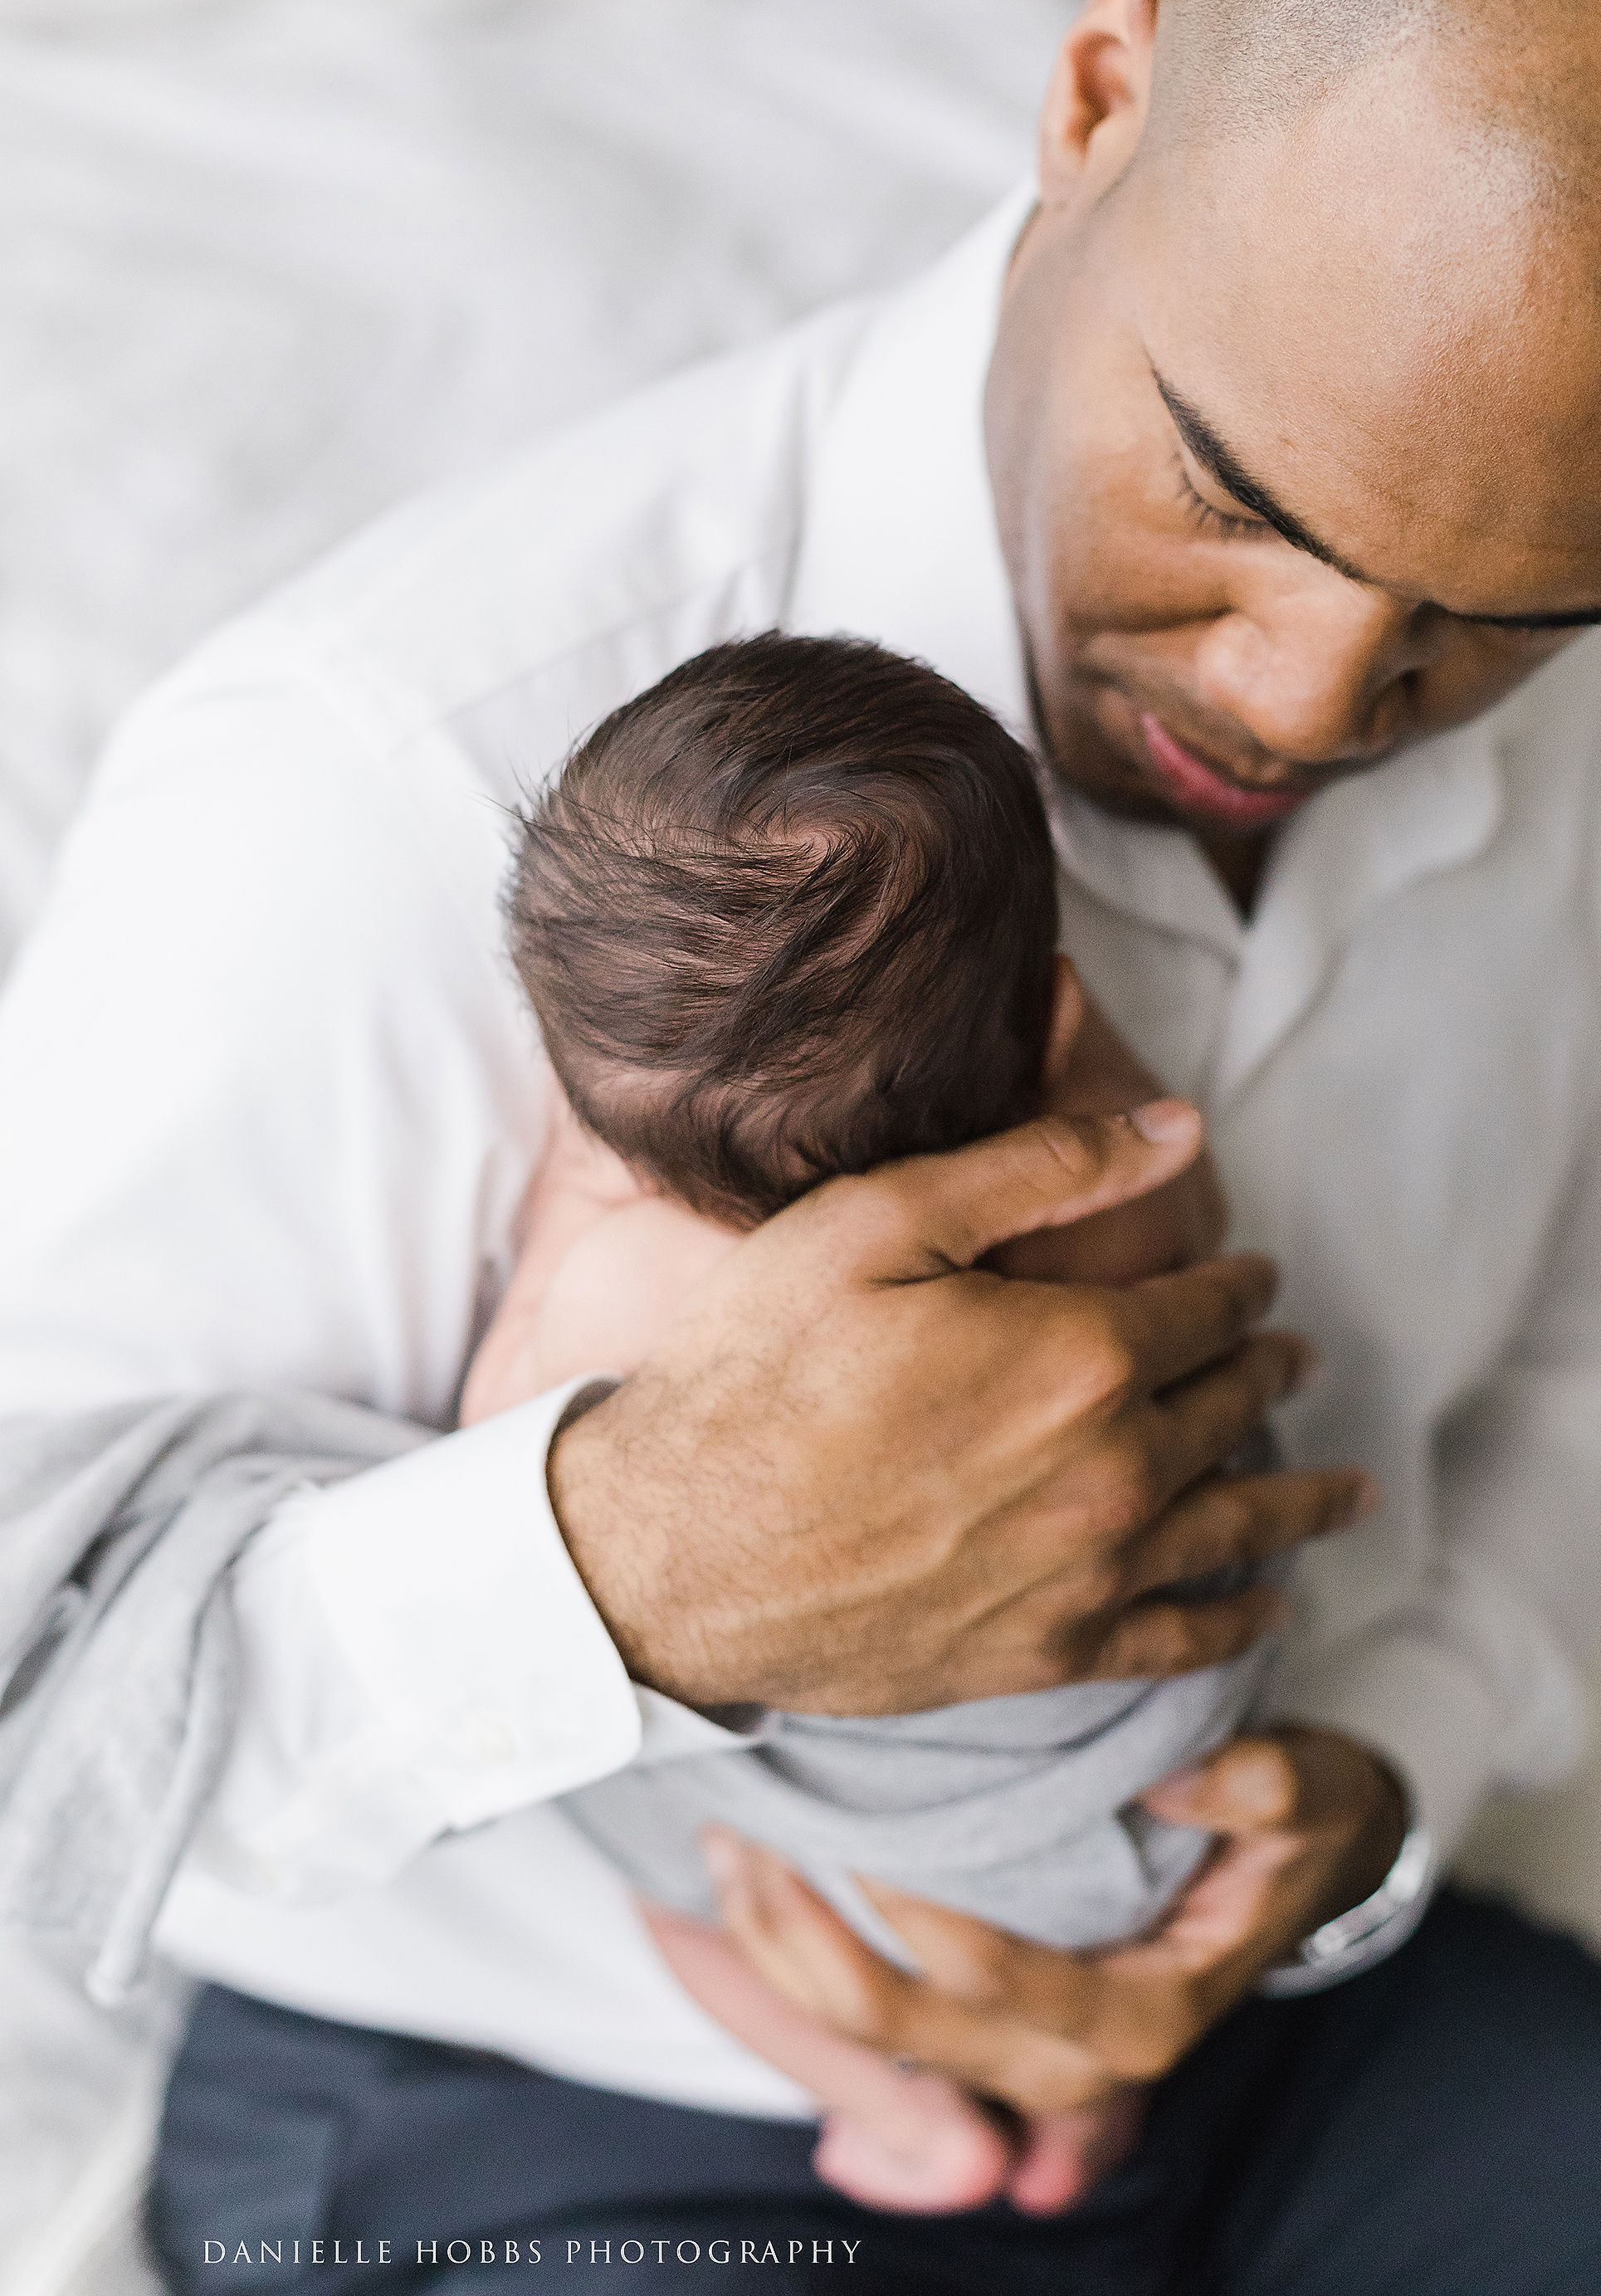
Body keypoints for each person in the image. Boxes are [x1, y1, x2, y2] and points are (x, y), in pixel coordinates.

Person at [2, 0, 1601, 2286]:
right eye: (1238, 489)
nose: (1326, 690)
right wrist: (638, 1570)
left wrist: (1376, 1783)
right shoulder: (392, 780)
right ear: (1098, 85)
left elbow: (1597, 1352)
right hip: (551, 2104)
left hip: (1288, 2006)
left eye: (1508, 611)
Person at [461, 627, 1289, 2217]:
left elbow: (506, 1465)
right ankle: (1090, 2111)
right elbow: (1151, 1147)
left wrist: (560, 1233)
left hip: (870, 1878)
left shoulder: (630, 1280)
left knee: (686, 1912)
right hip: (1147, 1800)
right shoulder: (1119, 1188)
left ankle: (900, 2114)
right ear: (1051, 1019)